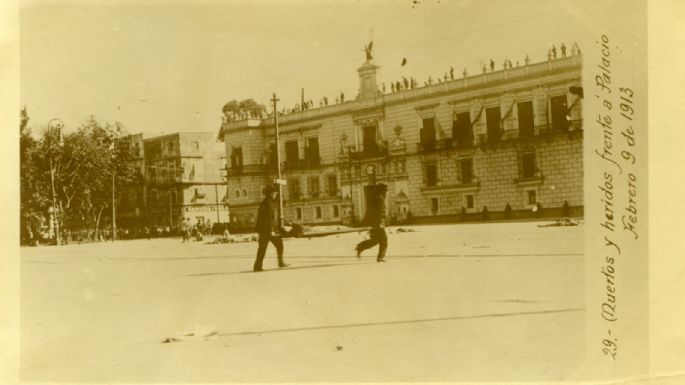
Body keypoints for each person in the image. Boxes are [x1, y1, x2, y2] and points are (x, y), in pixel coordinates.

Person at [253, 185, 289, 272]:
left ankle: (259, 266)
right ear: (270, 194)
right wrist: (271, 231)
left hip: (267, 230)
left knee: (272, 246)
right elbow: (268, 219)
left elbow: (272, 218)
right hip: (266, 231)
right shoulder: (267, 204)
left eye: (276, 193)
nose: (275, 195)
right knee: (266, 248)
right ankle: (258, 266)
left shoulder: (268, 202)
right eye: (274, 193)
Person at [356, 183, 389, 262]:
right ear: (382, 190)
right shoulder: (380, 198)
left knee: (375, 241)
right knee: (384, 240)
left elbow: (369, 212)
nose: (386, 192)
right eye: (385, 191)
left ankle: (360, 247)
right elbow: (379, 212)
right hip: (378, 224)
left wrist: (367, 222)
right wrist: (380, 223)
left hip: (374, 223)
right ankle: (381, 257)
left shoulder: (375, 198)